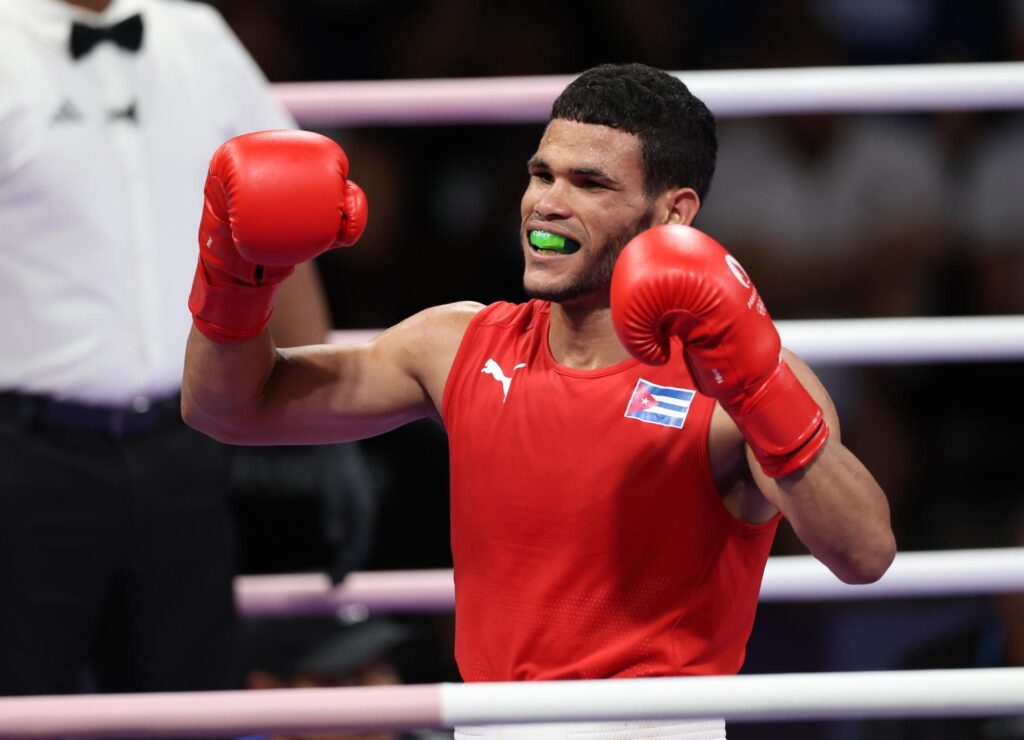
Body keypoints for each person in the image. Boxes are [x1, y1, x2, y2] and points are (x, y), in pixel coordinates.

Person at [181, 63, 896, 739]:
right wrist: (235, 273)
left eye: (589, 183)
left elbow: (863, 554)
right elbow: (228, 408)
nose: (548, 203)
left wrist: (756, 386)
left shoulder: (739, 384)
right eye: (541, 173)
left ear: (672, 213)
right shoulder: (457, 345)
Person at [0, 0, 330, 696]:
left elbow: (286, 211)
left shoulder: (195, 34)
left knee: (190, 701)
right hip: (25, 459)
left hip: (186, 449)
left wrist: (326, 426)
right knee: (22, 700)